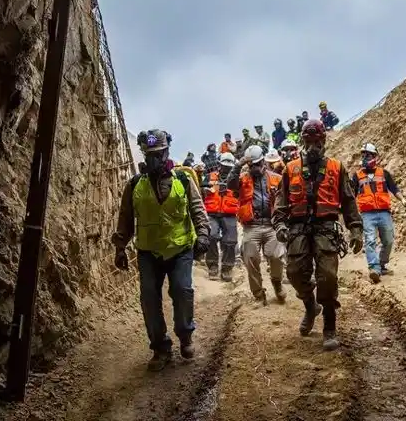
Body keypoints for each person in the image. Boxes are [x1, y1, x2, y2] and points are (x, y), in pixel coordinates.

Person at [112, 129, 211, 371]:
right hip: (148, 251)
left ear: (166, 152)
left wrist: (203, 235)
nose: (153, 159)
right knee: (148, 297)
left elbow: (198, 210)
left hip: (179, 249)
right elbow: (125, 217)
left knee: (182, 289)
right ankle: (160, 347)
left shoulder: (184, 180)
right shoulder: (135, 184)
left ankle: (185, 336)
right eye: (149, 155)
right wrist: (120, 247)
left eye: (158, 154)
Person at [272, 119, 364, 351]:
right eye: (308, 141)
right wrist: (280, 225)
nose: (312, 146)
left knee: (328, 277)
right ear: (303, 141)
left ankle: (329, 326)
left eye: (316, 141)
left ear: (323, 141)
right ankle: (310, 306)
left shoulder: (336, 167)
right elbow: (281, 203)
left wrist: (355, 228)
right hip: (298, 229)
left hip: (326, 229)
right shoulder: (290, 168)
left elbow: (348, 200)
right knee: (293, 273)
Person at [227, 145, 286, 304]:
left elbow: (285, 201)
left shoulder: (276, 179)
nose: (256, 168)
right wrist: (238, 165)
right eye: (252, 165)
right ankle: (259, 294)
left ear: (264, 162)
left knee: (276, 256)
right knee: (250, 258)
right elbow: (230, 185)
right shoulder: (243, 179)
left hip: (271, 225)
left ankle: (277, 283)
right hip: (251, 226)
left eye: (258, 164)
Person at [350, 143, 406, 282]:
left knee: (388, 240)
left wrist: (403, 200)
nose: (365, 158)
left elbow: (394, 189)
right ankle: (374, 268)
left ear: (374, 156)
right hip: (367, 214)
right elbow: (351, 195)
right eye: (363, 155)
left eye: (368, 155)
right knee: (370, 241)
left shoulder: (383, 173)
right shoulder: (357, 176)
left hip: (384, 212)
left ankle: (382, 265)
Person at [201, 151, 240, 281]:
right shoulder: (210, 176)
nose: (227, 168)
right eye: (224, 165)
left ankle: (227, 268)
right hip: (212, 213)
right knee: (211, 236)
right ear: (219, 164)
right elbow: (200, 188)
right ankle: (212, 265)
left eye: (229, 167)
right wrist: (206, 189)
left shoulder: (237, 179)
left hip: (229, 214)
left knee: (231, 241)